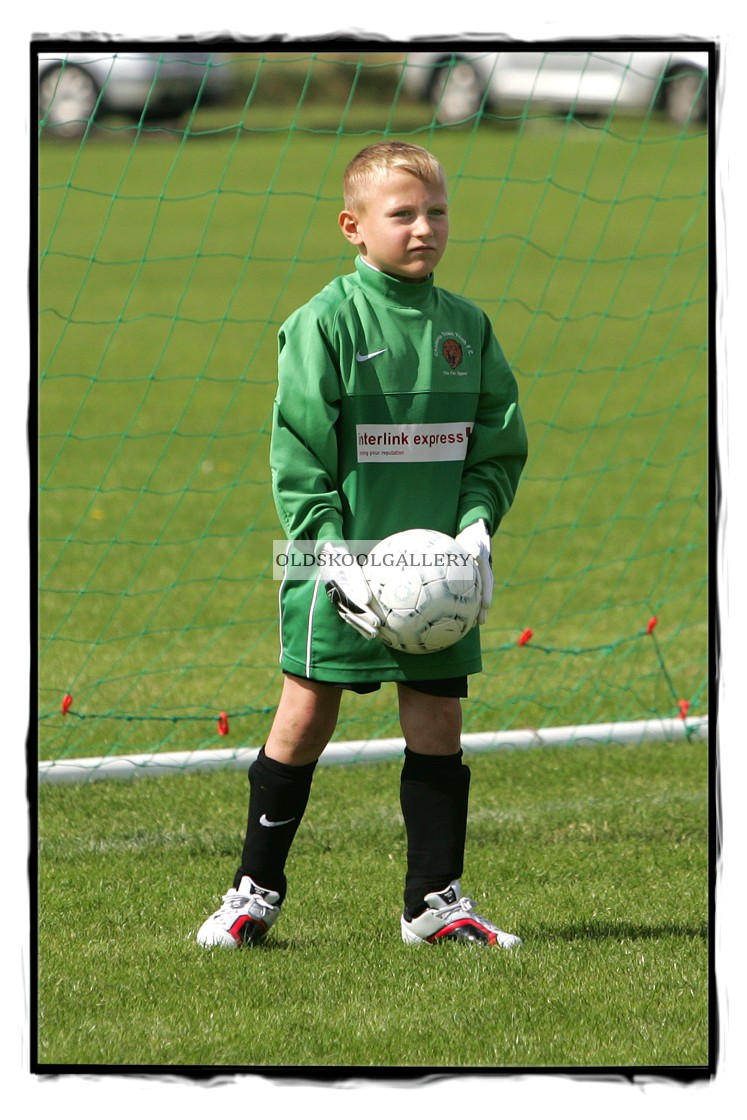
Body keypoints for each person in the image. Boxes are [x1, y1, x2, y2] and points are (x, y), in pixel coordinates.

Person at [196, 141, 528, 949]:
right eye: (402, 214)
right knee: (304, 716)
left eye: (436, 212)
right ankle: (252, 895)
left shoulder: (467, 327)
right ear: (353, 226)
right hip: (334, 567)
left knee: (438, 721)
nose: (424, 229)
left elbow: (494, 445)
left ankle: (433, 904)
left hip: (436, 578)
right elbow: (298, 456)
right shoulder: (323, 322)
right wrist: (327, 553)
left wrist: (477, 524)